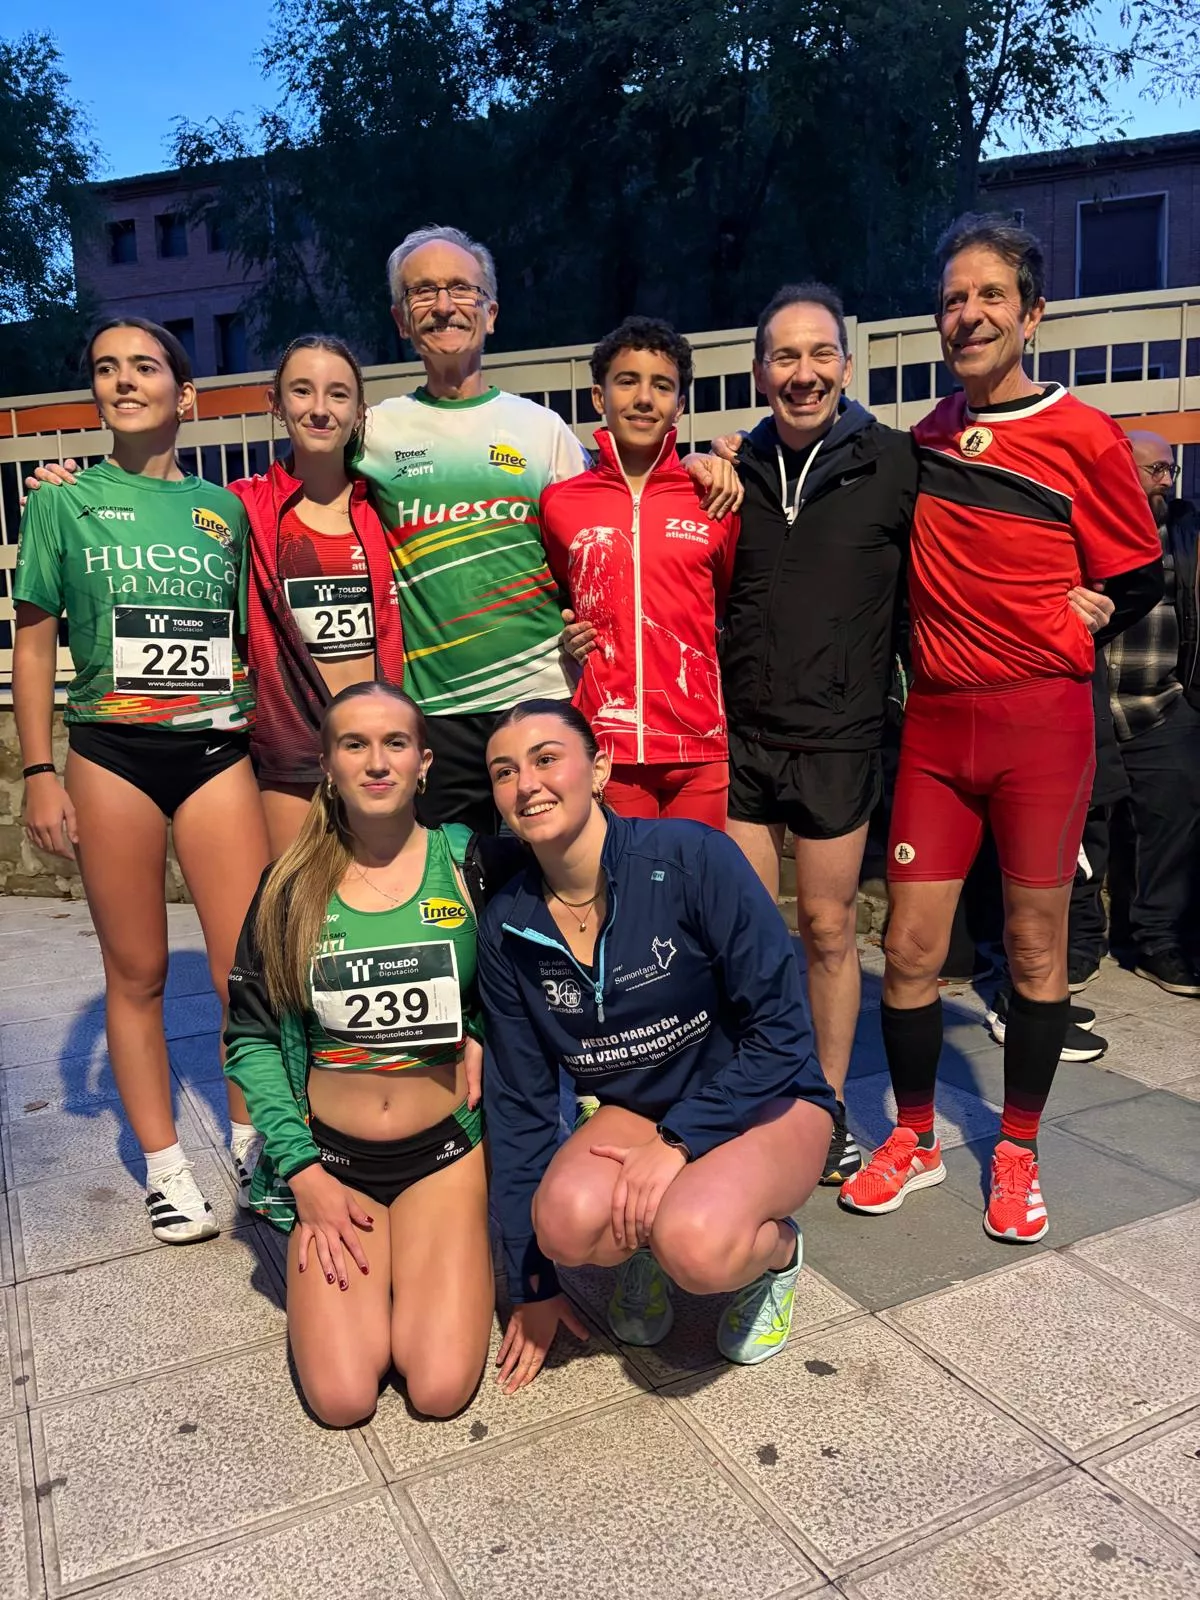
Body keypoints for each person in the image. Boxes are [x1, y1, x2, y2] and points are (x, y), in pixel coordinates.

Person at [840, 214, 1164, 1242]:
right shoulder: (924, 438)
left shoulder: (1086, 433)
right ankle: (918, 1137)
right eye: (952, 299)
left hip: (1041, 726)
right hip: (936, 729)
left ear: (1032, 314)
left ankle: (1017, 1148)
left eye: (989, 297)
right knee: (908, 948)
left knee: (1033, 949)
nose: (967, 314)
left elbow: (1142, 570)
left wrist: (1102, 609)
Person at [476, 699, 836, 1391]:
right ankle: (641, 1241)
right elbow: (519, 1105)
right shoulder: (507, 926)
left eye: (547, 758)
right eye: (505, 771)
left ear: (600, 767)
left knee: (696, 1243)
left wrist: (677, 1144)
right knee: (565, 1222)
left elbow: (784, 1033)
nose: (528, 784)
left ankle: (779, 1255)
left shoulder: (693, 859)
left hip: (765, 1097)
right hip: (639, 1105)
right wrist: (532, 1283)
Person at [12, 318, 270, 1240]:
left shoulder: (225, 512)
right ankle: (166, 1169)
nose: (124, 380)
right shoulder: (62, 504)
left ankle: (255, 1140)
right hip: (110, 753)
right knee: (138, 969)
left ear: (185, 395)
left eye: (146, 366)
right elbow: (34, 641)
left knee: (249, 967)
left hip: (214, 752)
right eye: (106, 369)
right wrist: (39, 770)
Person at [356, 224, 740, 834]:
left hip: (545, 698)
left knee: (563, 880)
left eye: (462, 288)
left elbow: (619, 515)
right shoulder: (375, 432)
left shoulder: (542, 431)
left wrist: (696, 462)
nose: (445, 305)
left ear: (492, 311)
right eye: (423, 292)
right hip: (438, 711)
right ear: (401, 320)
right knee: (455, 889)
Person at [223, 682, 493, 1424]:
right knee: (343, 1399)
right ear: (328, 767)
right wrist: (301, 1170)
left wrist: (485, 1036)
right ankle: (395, 1267)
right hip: (332, 1166)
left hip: (445, 1154)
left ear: (424, 762)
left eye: (395, 744)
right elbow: (248, 1038)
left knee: (438, 1389)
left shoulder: (468, 862)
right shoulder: (287, 888)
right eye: (355, 745)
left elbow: (534, 973)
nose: (377, 763)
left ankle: (433, 1252)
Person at [714, 282, 919, 1186]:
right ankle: (767, 1093)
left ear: (846, 362)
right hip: (745, 738)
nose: (803, 374)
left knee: (830, 930)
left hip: (839, 739)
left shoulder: (895, 464)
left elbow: (974, 560)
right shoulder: (728, 472)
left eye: (820, 354)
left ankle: (826, 1104)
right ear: (760, 370)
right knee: (755, 932)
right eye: (785, 357)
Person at [540, 316, 739, 827]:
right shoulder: (561, 503)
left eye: (662, 385)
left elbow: (730, 599)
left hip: (699, 747)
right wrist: (566, 634)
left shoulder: (712, 497)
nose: (644, 398)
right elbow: (562, 594)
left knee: (695, 897)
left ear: (681, 403)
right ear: (598, 398)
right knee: (626, 898)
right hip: (610, 748)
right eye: (627, 381)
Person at [231, 335, 406, 856]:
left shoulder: (387, 508)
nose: (320, 410)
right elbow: (158, 509)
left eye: (338, 394)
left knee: (378, 909)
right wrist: (70, 488)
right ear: (277, 404)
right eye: (302, 391)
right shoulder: (243, 507)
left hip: (383, 751)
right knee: (297, 917)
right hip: (291, 754)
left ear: (359, 410)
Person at [1100, 433, 1200, 995]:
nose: (1167, 479)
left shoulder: (1184, 530)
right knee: (1080, 836)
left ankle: (1159, 942)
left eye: (1171, 468)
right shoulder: (1083, 524)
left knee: (1174, 821)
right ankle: (1076, 946)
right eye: (1156, 468)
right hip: (1086, 706)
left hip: (1161, 702)